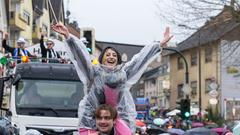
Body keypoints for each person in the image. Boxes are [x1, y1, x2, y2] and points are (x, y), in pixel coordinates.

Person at [52, 22, 172, 134]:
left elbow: (139, 60)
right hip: (92, 117)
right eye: (107, 54)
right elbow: (81, 57)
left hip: (119, 117)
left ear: (118, 59)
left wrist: (159, 45)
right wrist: (68, 37)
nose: (111, 57)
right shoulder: (93, 72)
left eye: (114, 55)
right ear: (102, 58)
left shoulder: (123, 73)